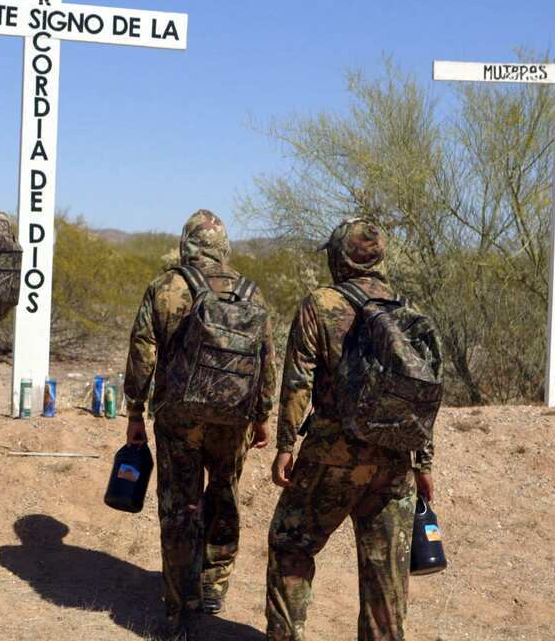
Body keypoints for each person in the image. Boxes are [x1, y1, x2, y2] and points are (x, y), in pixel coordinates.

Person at [264, 218, 435, 641]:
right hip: (394, 458)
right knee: (386, 575)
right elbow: (423, 395)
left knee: (290, 544)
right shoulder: (407, 309)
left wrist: (285, 445)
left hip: (332, 455)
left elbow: (298, 383)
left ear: (339, 258)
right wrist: (423, 462)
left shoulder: (319, 304)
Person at [122, 210, 277, 638]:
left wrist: (135, 411)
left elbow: (142, 353)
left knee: (180, 506)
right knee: (224, 492)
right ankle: (214, 584)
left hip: (179, 416)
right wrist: (262, 416)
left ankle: (179, 606)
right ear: (223, 247)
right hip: (233, 417)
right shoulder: (251, 291)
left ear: (186, 243)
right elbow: (266, 358)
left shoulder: (166, 287)